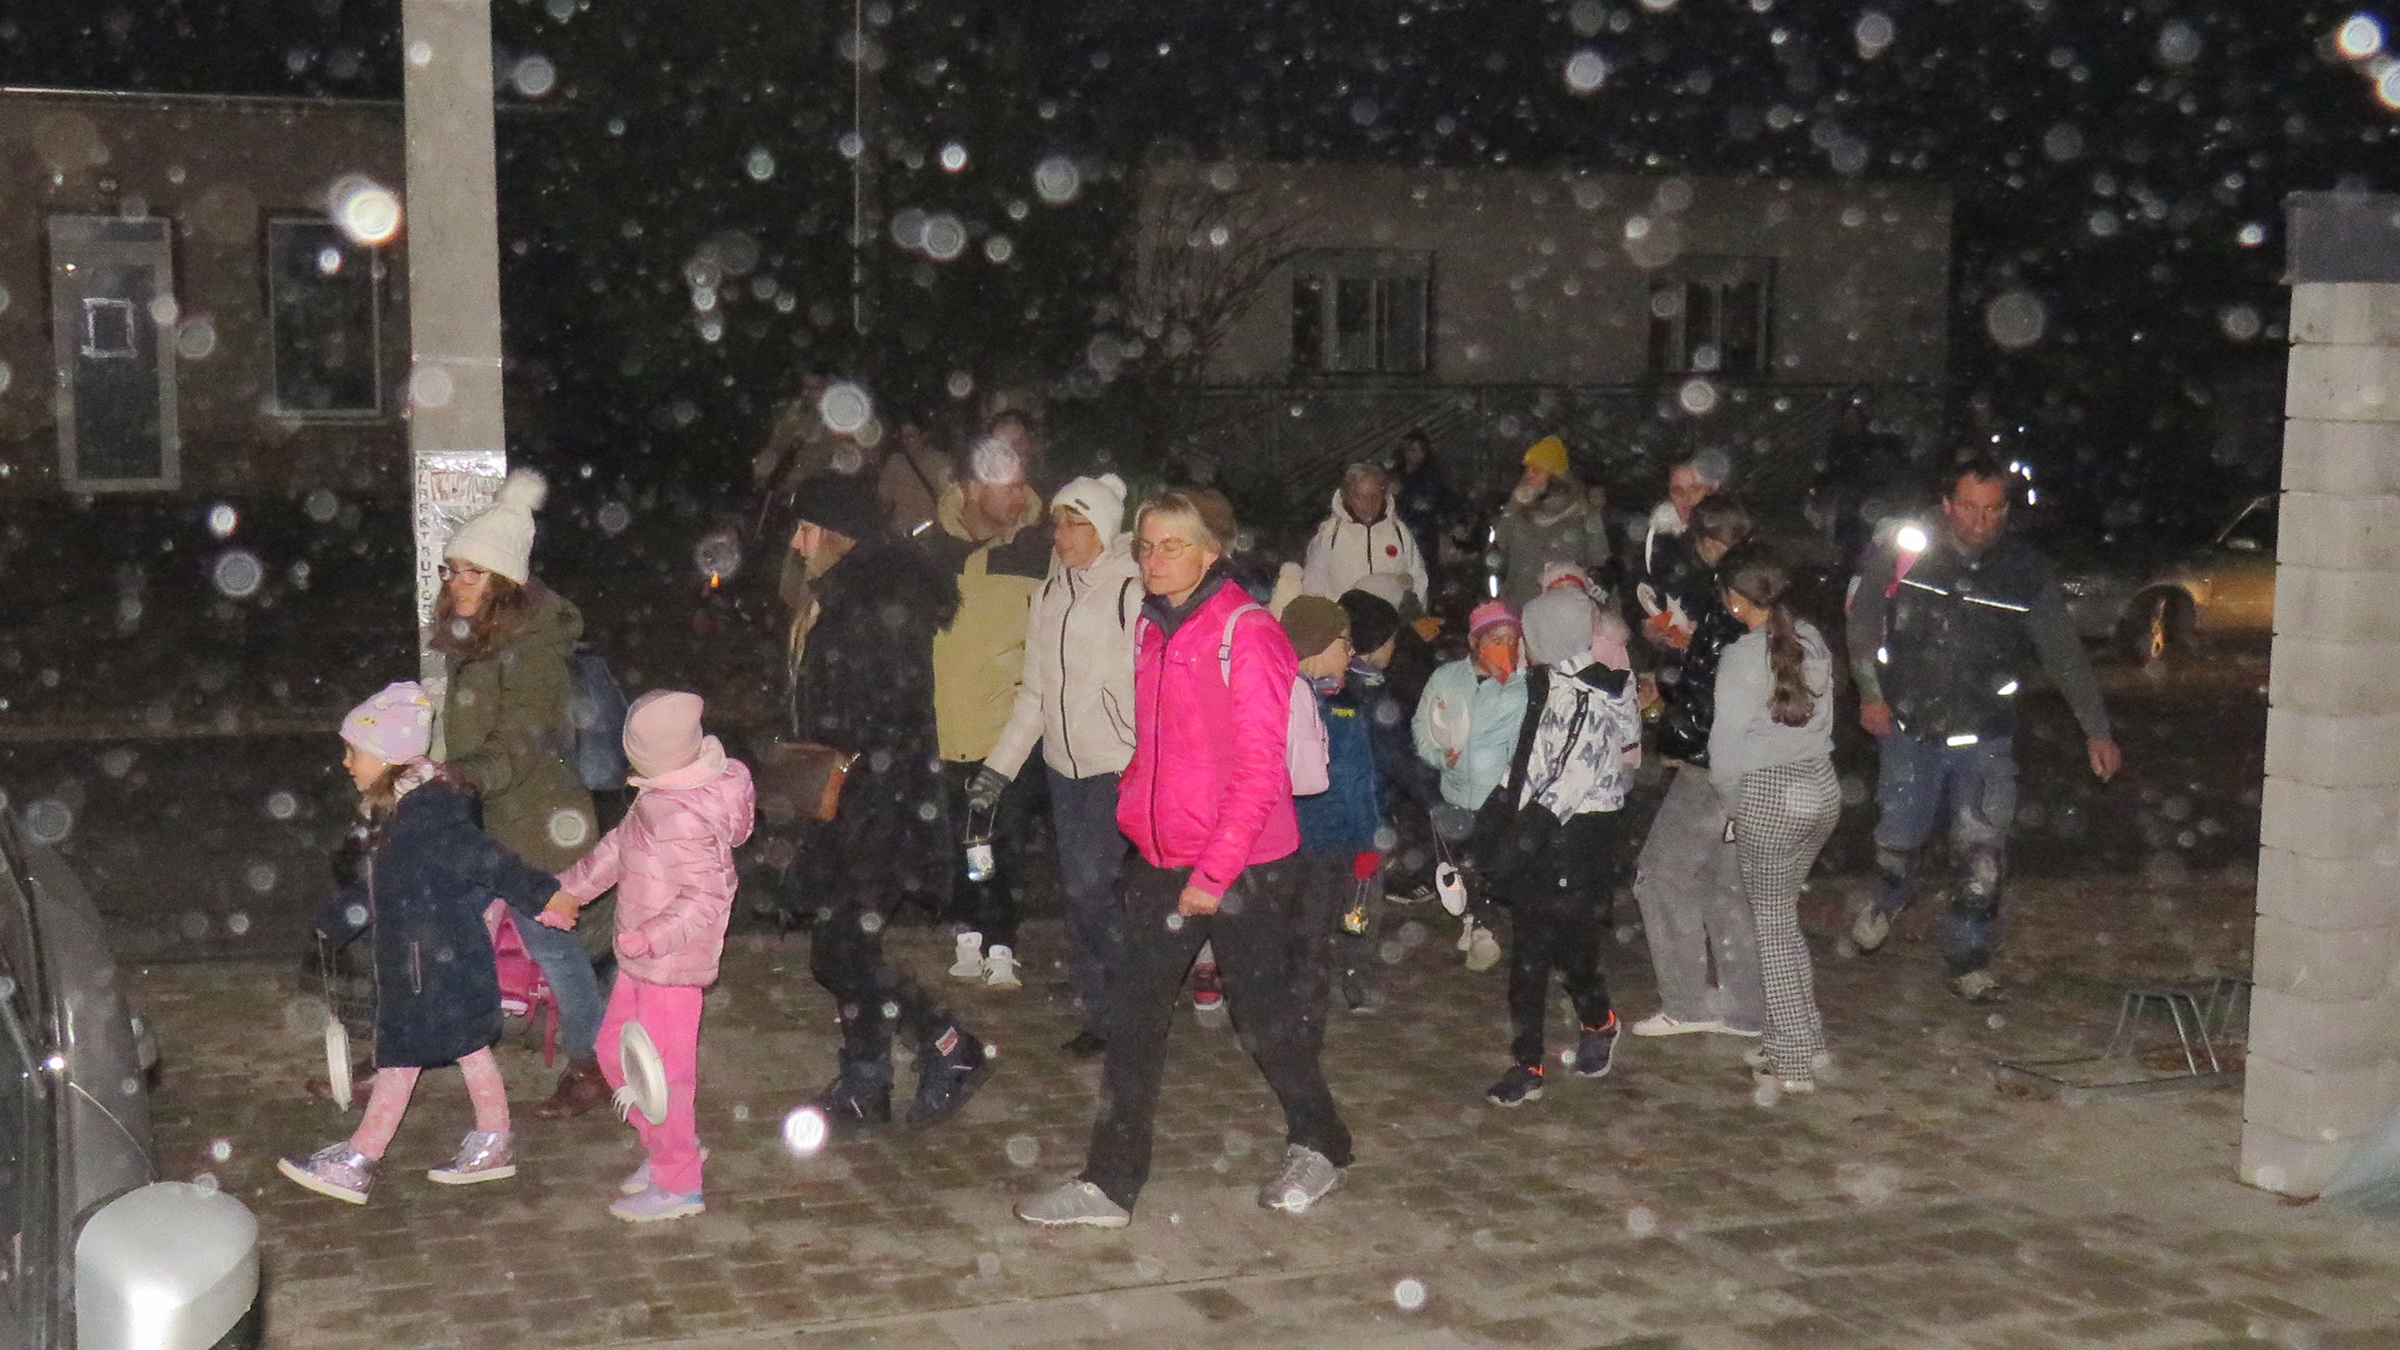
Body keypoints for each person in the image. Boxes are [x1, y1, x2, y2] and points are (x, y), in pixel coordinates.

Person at [1016, 491, 1353, 1229]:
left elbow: (1259, 771)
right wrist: (1138, 818)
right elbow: (1157, 742)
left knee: (1263, 1015)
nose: (1154, 559)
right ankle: (1110, 1185)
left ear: (1210, 552)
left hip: (1245, 864)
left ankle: (1320, 1140)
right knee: (1134, 1017)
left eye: (1172, 545)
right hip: (1166, 854)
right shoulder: (1152, 627)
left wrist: (1213, 875)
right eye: (1145, 546)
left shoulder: (1248, 633)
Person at [1846, 457, 2122, 1002]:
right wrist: (1870, 692)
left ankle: (1968, 957)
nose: (1980, 520)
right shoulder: (1907, 553)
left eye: (1992, 509)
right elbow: (1863, 621)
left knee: (1982, 859)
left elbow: (2064, 654)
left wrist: (2097, 729)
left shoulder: (2025, 571)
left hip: (1985, 736)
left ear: (2006, 510)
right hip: (1909, 727)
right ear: (1948, 505)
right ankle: (1892, 893)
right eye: (1969, 507)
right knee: (1898, 838)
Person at [278, 683, 562, 1205]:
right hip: (431, 953)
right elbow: (387, 884)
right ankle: (493, 1139)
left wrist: (543, 894)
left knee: (402, 1057)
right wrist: (340, 918)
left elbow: (486, 861)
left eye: (354, 751)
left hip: (430, 960)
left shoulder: (427, 814)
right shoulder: (405, 811)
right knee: (466, 1047)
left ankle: (360, 1159)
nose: (345, 762)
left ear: (387, 756)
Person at [781, 470, 994, 1129]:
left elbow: (885, 716)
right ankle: (867, 1078)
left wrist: (851, 783)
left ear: (834, 533)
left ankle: (945, 1045)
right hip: (855, 800)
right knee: (844, 944)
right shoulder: (846, 599)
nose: (795, 543)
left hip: (878, 804)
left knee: (843, 947)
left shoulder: (870, 607)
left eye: (805, 529)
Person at [430, 468, 610, 1119]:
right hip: (483, 821)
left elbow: (522, 740)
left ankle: (592, 1064)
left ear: (503, 582)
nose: (457, 583)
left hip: (535, 823)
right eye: (453, 570)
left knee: (552, 947)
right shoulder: (479, 639)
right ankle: (400, 1056)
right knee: (439, 933)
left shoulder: (532, 652)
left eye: (472, 573)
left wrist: (467, 774)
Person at [542, 691, 755, 1221]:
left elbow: (709, 894)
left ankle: (679, 1183)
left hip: (669, 967)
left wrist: (651, 937)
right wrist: (569, 890)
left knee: (664, 1077)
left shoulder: (682, 813)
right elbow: (619, 848)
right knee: (615, 1053)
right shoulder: (659, 795)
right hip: (640, 960)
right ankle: (668, 1146)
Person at [971, 474, 1142, 1057]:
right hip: (1063, 769)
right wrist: (998, 769)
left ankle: (1129, 1008)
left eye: (1076, 523)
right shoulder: (1049, 595)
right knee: (1079, 893)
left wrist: (1138, 742)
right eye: (1059, 523)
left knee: (1093, 888)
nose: (1062, 535)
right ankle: (1104, 1013)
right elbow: (1036, 696)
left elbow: (1152, 683)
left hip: (1117, 765)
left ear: (1104, 529)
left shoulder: (1130, 591)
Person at [1476, 588, 1643, 1106]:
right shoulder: (1544, 687)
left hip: (1575, 840)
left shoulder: (1589, 699)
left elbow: (1568, 779)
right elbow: (1528, 760)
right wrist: (1496, 812)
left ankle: (1599, 1019)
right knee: (1529, 956)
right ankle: (1527, 1061)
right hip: (1539, 834)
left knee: (1574, 954)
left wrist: (1517, 841)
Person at [1628, 496, 1767, 1039]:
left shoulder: (1727, 608)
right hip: (1751, 762)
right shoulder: (1764, 603)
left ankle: (1687, 1003)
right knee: (1724, 882)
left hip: (1715, 764)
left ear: (1710, 545)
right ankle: (1746, 1008)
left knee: (1661, 874)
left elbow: (1710, 700)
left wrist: (1668, 717)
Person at [1710, 547, 1840, 1095]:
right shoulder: (1812, 638)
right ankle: (1807, 1039)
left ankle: (1790, 1063)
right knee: (1783, 918)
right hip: (1821, 788)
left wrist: (1733, 803)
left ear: (1736, 601)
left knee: (1772, 929)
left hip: (1769, 796)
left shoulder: (1741, 657)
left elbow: (1723, 750)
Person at [927, 433, 1051, 988]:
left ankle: (1001, 938)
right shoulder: (931, 551)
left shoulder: (1040, 552)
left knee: (999, 839)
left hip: (1010, 732)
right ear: (973, 488)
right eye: (1006, 485)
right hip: (946, 725)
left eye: (1022, 483)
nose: (1019, 495)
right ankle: (969, 932)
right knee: (962, 838)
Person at [1411, 601, 1529, 972]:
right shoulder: (1446, 678)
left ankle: (1483, 929)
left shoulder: (1520, 689)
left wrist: (1511, 788)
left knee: (1484, 863)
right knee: (1459, 864)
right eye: (1495, 639)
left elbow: (1522, 747)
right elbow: (1423, 724)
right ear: (1475, 641)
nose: (1504, 647)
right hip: (1453, 791)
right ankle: (1472, 919)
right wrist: (1440, 756)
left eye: (1511, 640)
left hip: (1495, 795)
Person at [1282, 597, 1383, 1018]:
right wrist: (1367, 838)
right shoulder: (1324, 707)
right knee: (1319, 925)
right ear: (1318, 643)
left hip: (1307, 840)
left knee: (1326, 921)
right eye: (1344, 641)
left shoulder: (1334, 700)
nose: (1351, 652)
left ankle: (1309, 993)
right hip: (1325, 840)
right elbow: (1355, 781)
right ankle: (1305, 1006)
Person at [1626, 450, 1733, 658]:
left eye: (1695, 489)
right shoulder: (1658, 537)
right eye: (1677, 490)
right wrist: (1647, 627)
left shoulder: (1730, 538)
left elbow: (1749, 608)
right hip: (1674, 663)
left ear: (1714, 488)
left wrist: (1706, 634)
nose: (1686, 499)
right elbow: (1636, 591)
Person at [1494, 436, 1612, 610]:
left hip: (1566, 612)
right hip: (1518, 609)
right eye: (1527, 470)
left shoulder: (1583, 513)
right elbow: (1497, 555)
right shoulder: (1516, 511)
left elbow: (1600, 564)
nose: (1528, 476)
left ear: (1556, 478)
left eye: (1537, 471)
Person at [1301, 462, 1429, 610]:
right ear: (1347, 497)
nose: (1368, 504)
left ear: (1384, 496)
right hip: (1344, 619)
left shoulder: (1399, 532)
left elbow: (1418, 578)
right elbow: (1313, 584)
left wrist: (1415, 615)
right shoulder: (1330, 535)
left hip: (1390, 619)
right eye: (1360, 497)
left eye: (1375, 497)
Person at [877, 414, 957, 539]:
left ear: (924, 436)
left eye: (911, 436)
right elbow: (884, 499)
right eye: (903, 436)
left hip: (929, 535)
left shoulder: (941, 463)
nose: (907, 441)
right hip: (900, 535)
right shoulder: (895, 463)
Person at [1393, 429, 1462, 568]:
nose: (1416, 454)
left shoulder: (1430, 477)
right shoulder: (1396, 475)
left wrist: (1403, 494)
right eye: (1412, 450)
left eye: (1420, 450)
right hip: (1398, 536)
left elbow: (1427, 503)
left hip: (1422, 537)